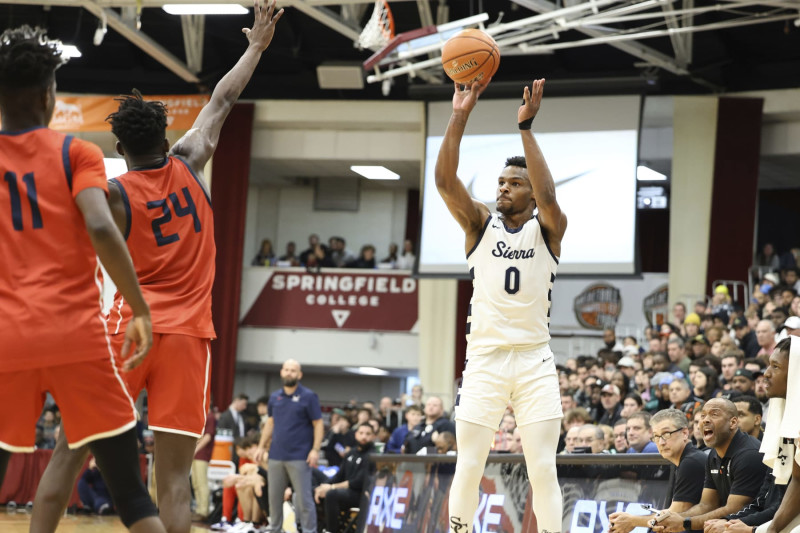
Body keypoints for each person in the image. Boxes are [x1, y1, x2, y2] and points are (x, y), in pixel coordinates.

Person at [28, 4, 284, 532]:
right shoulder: (192, 159)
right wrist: (256, 45)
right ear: (166, 141)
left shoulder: (113, 198)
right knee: (171, 480)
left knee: (68, 454)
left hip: (130, 329)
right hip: (189, 339)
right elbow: (223, 98)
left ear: (119, 149)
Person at [0, 25, 166, 533]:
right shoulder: (76, 154)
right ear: (50, 95)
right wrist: (138, 308)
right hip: (76, 335)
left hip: (7, 339)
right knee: (132, 496)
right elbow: (99, 224)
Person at [436, 78, 566, 533]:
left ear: (530, 195)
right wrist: (459, 114)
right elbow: (444, 182)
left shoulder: (548, 228)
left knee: (543, 469)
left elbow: (549, 197)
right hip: (485, 359)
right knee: (469, 464)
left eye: (515, 183)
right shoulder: (479, 224)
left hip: (534, 360)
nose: (504, 188)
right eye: (501, 182)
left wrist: (526, 130)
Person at [652, 398, 767, 533]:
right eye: (702, 415)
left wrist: (684, 522)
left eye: (714, 414)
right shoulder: (713, 454)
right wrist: (674, 518)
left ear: (733, 422)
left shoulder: (749, 454)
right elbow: (707, 504)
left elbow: (735, 508)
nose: (705, 420)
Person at [609, 409, 706, 533]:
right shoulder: (683, 461)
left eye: (666, 434)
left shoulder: (691, 462)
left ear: (685, 433)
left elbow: (673, 515)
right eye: (656, 436)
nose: (661, 442)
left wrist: (632, 521)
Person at [255, 359, 323, 533]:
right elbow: (270, 423)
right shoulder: (275, 397)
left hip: (300, 456)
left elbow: (318, 424)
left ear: (299, 375)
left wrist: (315, 449)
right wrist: (261, 446)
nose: (289, 373)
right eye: (286, 369)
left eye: (293, 370)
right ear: (281, 372)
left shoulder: (309, 396)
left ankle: (309, 531)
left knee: (304, 499)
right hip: (276, 455)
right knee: (274, 498)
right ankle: (275, 529)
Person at [314, 423, 376, 533]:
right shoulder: (351, 452)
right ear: (356, 434)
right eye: (361, 433)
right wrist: (324, 486)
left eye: (368, 434)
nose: (364, 437)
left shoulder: (372, 455)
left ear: (373, 437)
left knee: (331, 494)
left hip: (359, 495)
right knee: (315, 484)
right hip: (345, 491)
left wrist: (331, 487)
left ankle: (331, 530)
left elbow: (358, 482)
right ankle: (317, 527)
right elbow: (339, 475)